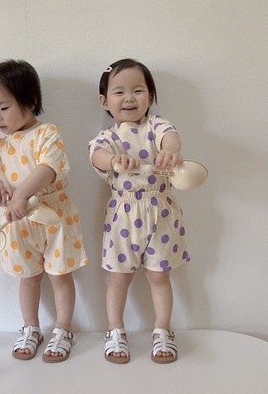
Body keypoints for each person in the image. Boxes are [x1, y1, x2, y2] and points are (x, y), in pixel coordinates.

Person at [0, 59, 89, 363]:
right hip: (17, 223)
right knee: (28, 276)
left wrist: (21, 194)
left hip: (53, 217)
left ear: (31, 101)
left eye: (3, 107)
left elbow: (49, 166)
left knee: (60, 275)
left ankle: (63, 329)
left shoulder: (47, 133)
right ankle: (31, 327)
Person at [89, 58, 190, 364]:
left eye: (138, 90)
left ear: (150, 96)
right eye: (119, 92)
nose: (129, 98)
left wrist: (171, 149)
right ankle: (115, 330)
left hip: (161, 214)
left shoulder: (156, 126)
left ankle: (162, 329)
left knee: (160, 276)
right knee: (119, 278)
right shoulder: (107, 138)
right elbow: (97, 155)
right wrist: (114, 161)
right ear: (105, 101)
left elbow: (170, 136)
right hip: (123, 216)